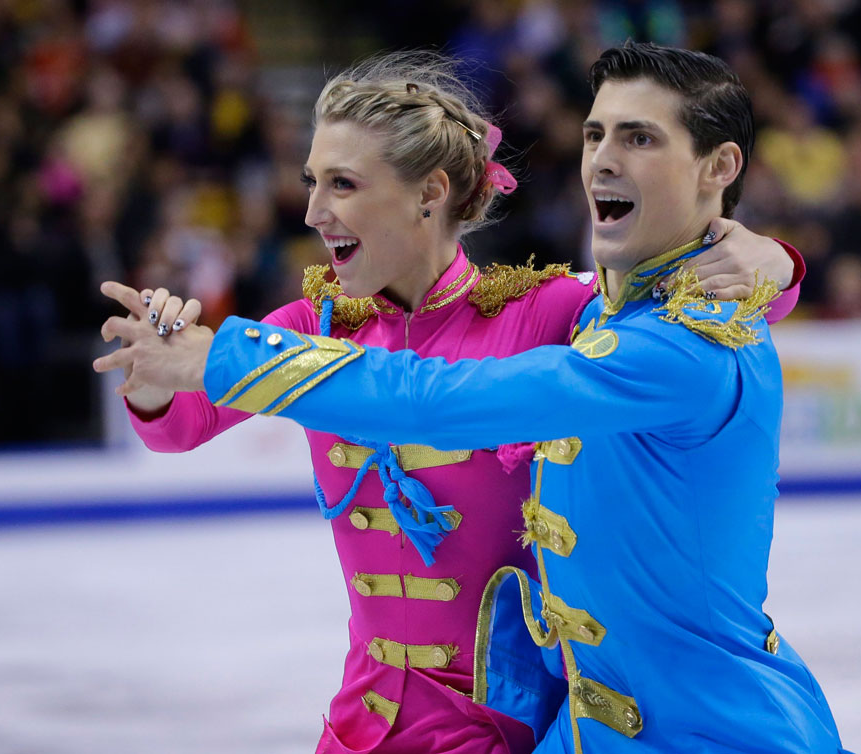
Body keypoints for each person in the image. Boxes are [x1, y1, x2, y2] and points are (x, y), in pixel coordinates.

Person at [97, 48, 816, 754]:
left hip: (508, 722)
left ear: (428, 193)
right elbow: (180, 428)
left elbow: (674, 327)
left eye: (343, 185)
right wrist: (159, 378)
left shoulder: (547, 312)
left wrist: (771, 263)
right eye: (312, 181)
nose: (313, 210)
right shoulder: (313, 325)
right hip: (364, 723)